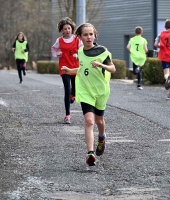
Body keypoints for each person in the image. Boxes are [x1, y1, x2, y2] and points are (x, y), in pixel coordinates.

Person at [61, 23, 116, 166]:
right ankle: (90, 153)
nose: (89, 37)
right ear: (79, 37)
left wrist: (102, 65)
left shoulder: (102, 51)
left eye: (91, 34)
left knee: (99, 121)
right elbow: (82, 69)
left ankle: (102, 137)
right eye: (85, 34)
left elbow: (113, 68)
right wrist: (69, 70)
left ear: (95, 35)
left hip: (100, 92)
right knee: (90, 121)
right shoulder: (80, 52)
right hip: (85, 91)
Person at [51, 17, 83, 124]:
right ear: (62, 30)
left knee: (74, 89)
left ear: (72, 28)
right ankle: (67, 115)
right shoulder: (59, 40)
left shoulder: (77, 40)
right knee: (67, 89)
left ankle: (73, 95)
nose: (67, 30)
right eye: (65, 29)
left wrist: (77, 55)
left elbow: (83, 51)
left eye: (69, 28)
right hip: (64, 68)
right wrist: (57, 54)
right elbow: (54, 49)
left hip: (74, 68)